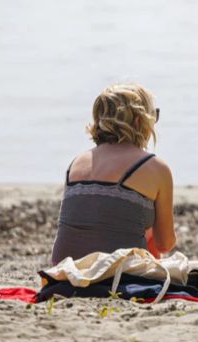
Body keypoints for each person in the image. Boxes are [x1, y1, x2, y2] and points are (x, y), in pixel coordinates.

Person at [50, 83, 176, 264]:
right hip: (119, 275)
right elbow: (165, 244)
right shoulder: (155, 167)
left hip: (66, 271)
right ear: (139, 121)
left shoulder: (77, 163)